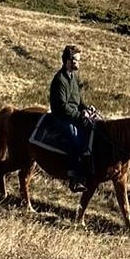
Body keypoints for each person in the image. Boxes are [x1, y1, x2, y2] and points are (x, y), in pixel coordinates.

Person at [49, 43, 95, 190]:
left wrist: (87, 108)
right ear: (67, 61)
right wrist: (79, 114)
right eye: (75, 60)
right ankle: (74, 176)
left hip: (73, 115)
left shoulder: (74, 77)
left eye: (78, 60)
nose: (78, 63)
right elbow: (62, 106)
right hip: (61, 117)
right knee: (75, 139)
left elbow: (78, 99)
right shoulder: (60, 80)